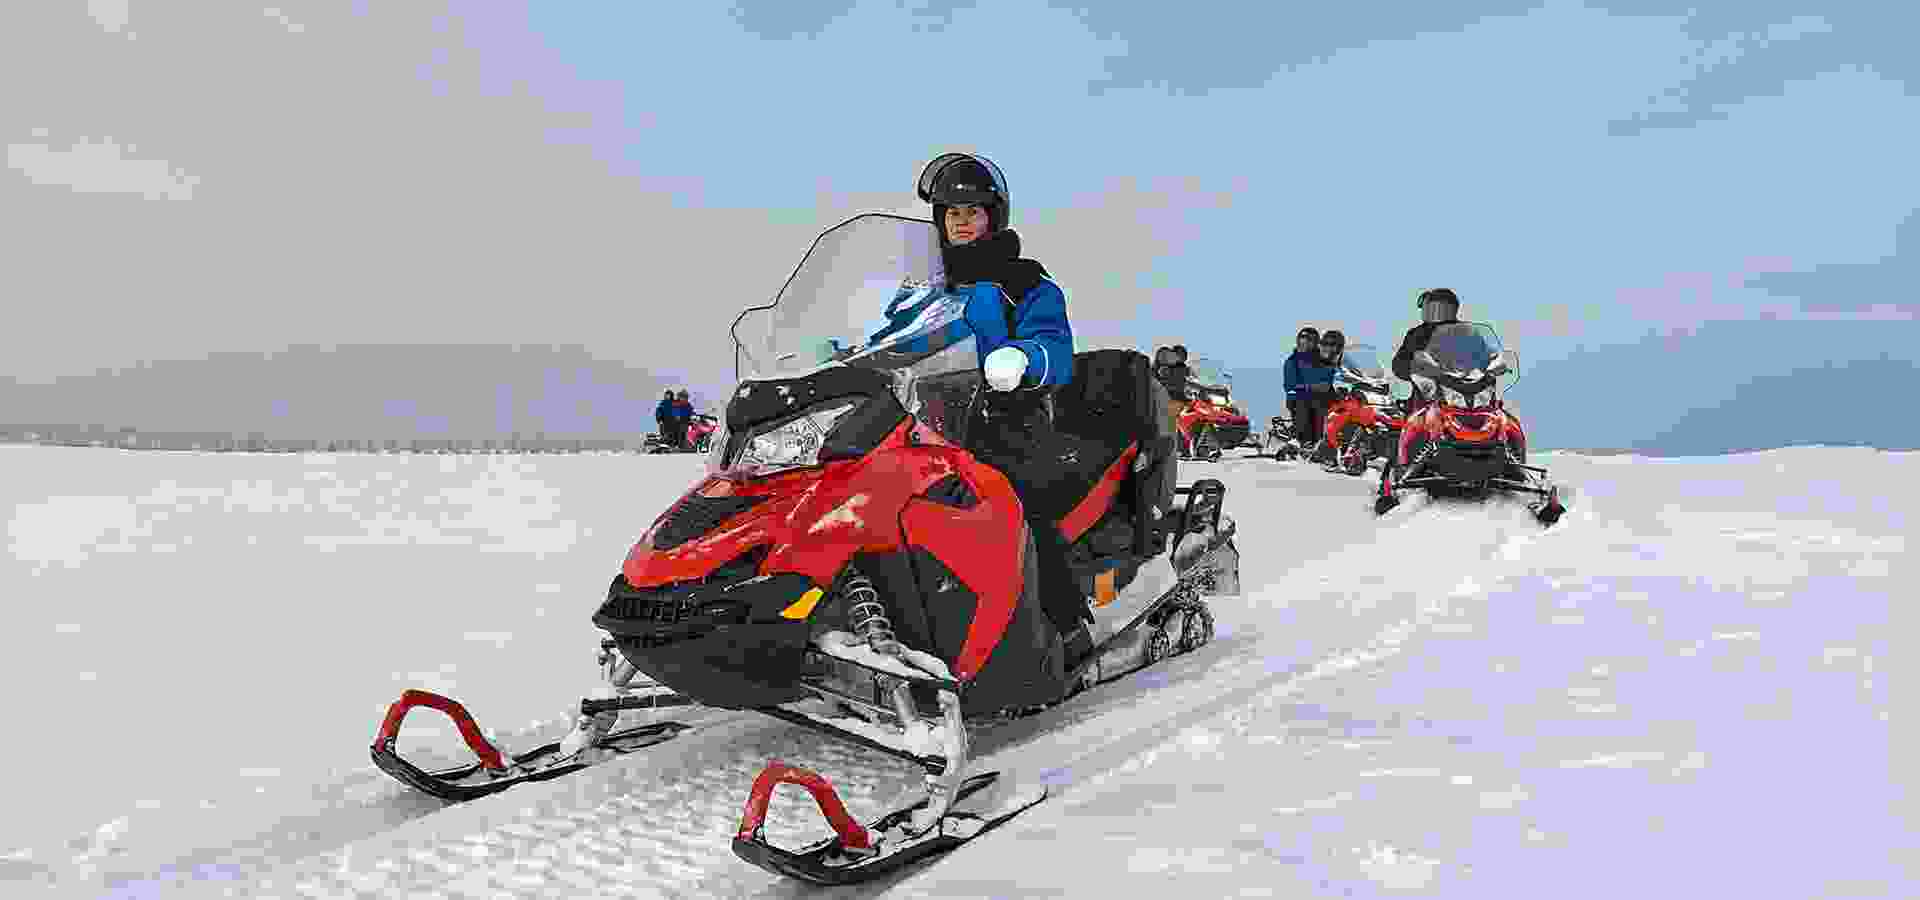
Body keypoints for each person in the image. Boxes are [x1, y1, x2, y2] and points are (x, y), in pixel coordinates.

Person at [914, 151, 1089, 658]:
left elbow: (1057, 349)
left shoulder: (1023, 282)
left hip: (1006, 419)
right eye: (951, 212)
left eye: (971, 211)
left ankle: (1068, 627)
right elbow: (888, 336)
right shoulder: (924, 288)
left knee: (1017, 506)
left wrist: (1023, 358)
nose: (960, 221)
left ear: (993, 216)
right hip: (929, 420)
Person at [1392, 288, 1462, 411]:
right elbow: (1399, 364)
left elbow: (1484, 356)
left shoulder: (1466, 332)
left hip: (1462, 391)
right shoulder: (1417, 334)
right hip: (1427, 396)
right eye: (1427, 308)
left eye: (1435, 308)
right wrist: (1415, 368)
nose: (1430, 312)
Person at [1282, 326, 1333, 447]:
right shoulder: (1293, 361)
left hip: (1323, 397)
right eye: (1303, 339)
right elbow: (1290, 385)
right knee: (1307, 405)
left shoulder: (1323, 360)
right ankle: (1306, 441)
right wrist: (1311, 387)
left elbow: (1334, 374)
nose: (1306, 343)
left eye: (1310, 340)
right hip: (1301, 399)